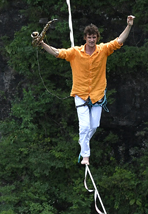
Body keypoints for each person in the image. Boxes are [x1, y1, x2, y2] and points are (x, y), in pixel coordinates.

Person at [38, 15, 134, 166]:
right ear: (85, 38)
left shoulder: (103, 50)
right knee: (84, 127)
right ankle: (85, 157)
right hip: (81, 94)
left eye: (94, 37)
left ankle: (83, 141)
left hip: (97, 94)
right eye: (89, 37)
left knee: (94, 126)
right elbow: (57, 53)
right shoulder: (75, 52)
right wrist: (42, 43)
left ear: (97, 38)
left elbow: (119, 41)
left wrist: (128, 26)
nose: (91, 40)